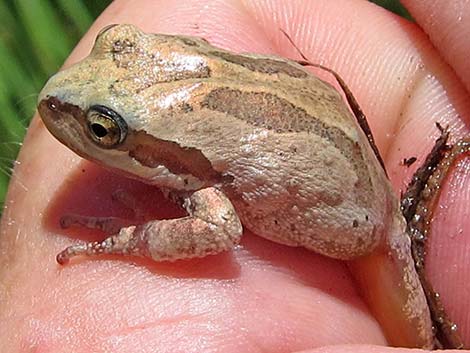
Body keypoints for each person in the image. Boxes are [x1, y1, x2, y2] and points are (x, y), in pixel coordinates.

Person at [0, 0, 468, 351]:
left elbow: (220, 228)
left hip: (353, 215)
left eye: (102, 130)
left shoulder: (195, 174)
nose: (57, 106)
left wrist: (134, 239)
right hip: (328, 131)